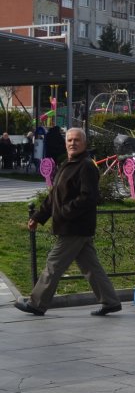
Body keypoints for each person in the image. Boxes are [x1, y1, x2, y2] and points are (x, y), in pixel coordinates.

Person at [15, 128, 122, 317]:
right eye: (70, 140)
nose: (72, 143)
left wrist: (64, 212)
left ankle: (36, 304)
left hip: (75, 227)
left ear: (85, 143)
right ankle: (110, 301)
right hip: (72, 226)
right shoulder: (68, 164)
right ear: (66, 143)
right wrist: (38, 217)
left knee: (53, 264)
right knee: (91, 267)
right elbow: (53, 197)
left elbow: (88, 197)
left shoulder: (86, 166)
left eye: (77, 140)